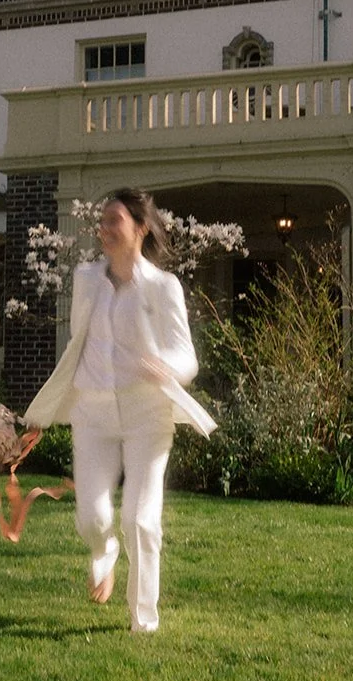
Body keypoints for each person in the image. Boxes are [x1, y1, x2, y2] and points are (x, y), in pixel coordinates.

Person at [22, 188, 215, 633]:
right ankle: (103, 550)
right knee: (93, 517)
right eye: (103, 221)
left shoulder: (163, 287)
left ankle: (143, 619)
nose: (104, 229)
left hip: (148, 413)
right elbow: (80, 341)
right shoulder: (86, 278)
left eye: (115, 221)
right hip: (93, 412)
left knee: (140, 519)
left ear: (140, 228)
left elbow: (187, 357)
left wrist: (166, 367)